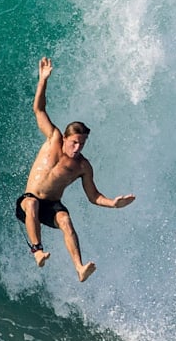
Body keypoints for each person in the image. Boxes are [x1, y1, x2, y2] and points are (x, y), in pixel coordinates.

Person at [14, 57, 135, 282]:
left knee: (66, 219)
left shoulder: (82, 166)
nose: (78, 148)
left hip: (50, 205)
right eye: (74, 143)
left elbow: (93, 195)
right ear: (66, 138)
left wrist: (113, 203)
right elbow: (38, 109)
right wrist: (43, 80)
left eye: (82, 144)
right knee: (31, 203)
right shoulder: (53, 138)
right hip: (30, 200)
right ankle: (37, 251)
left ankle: (79, 267)